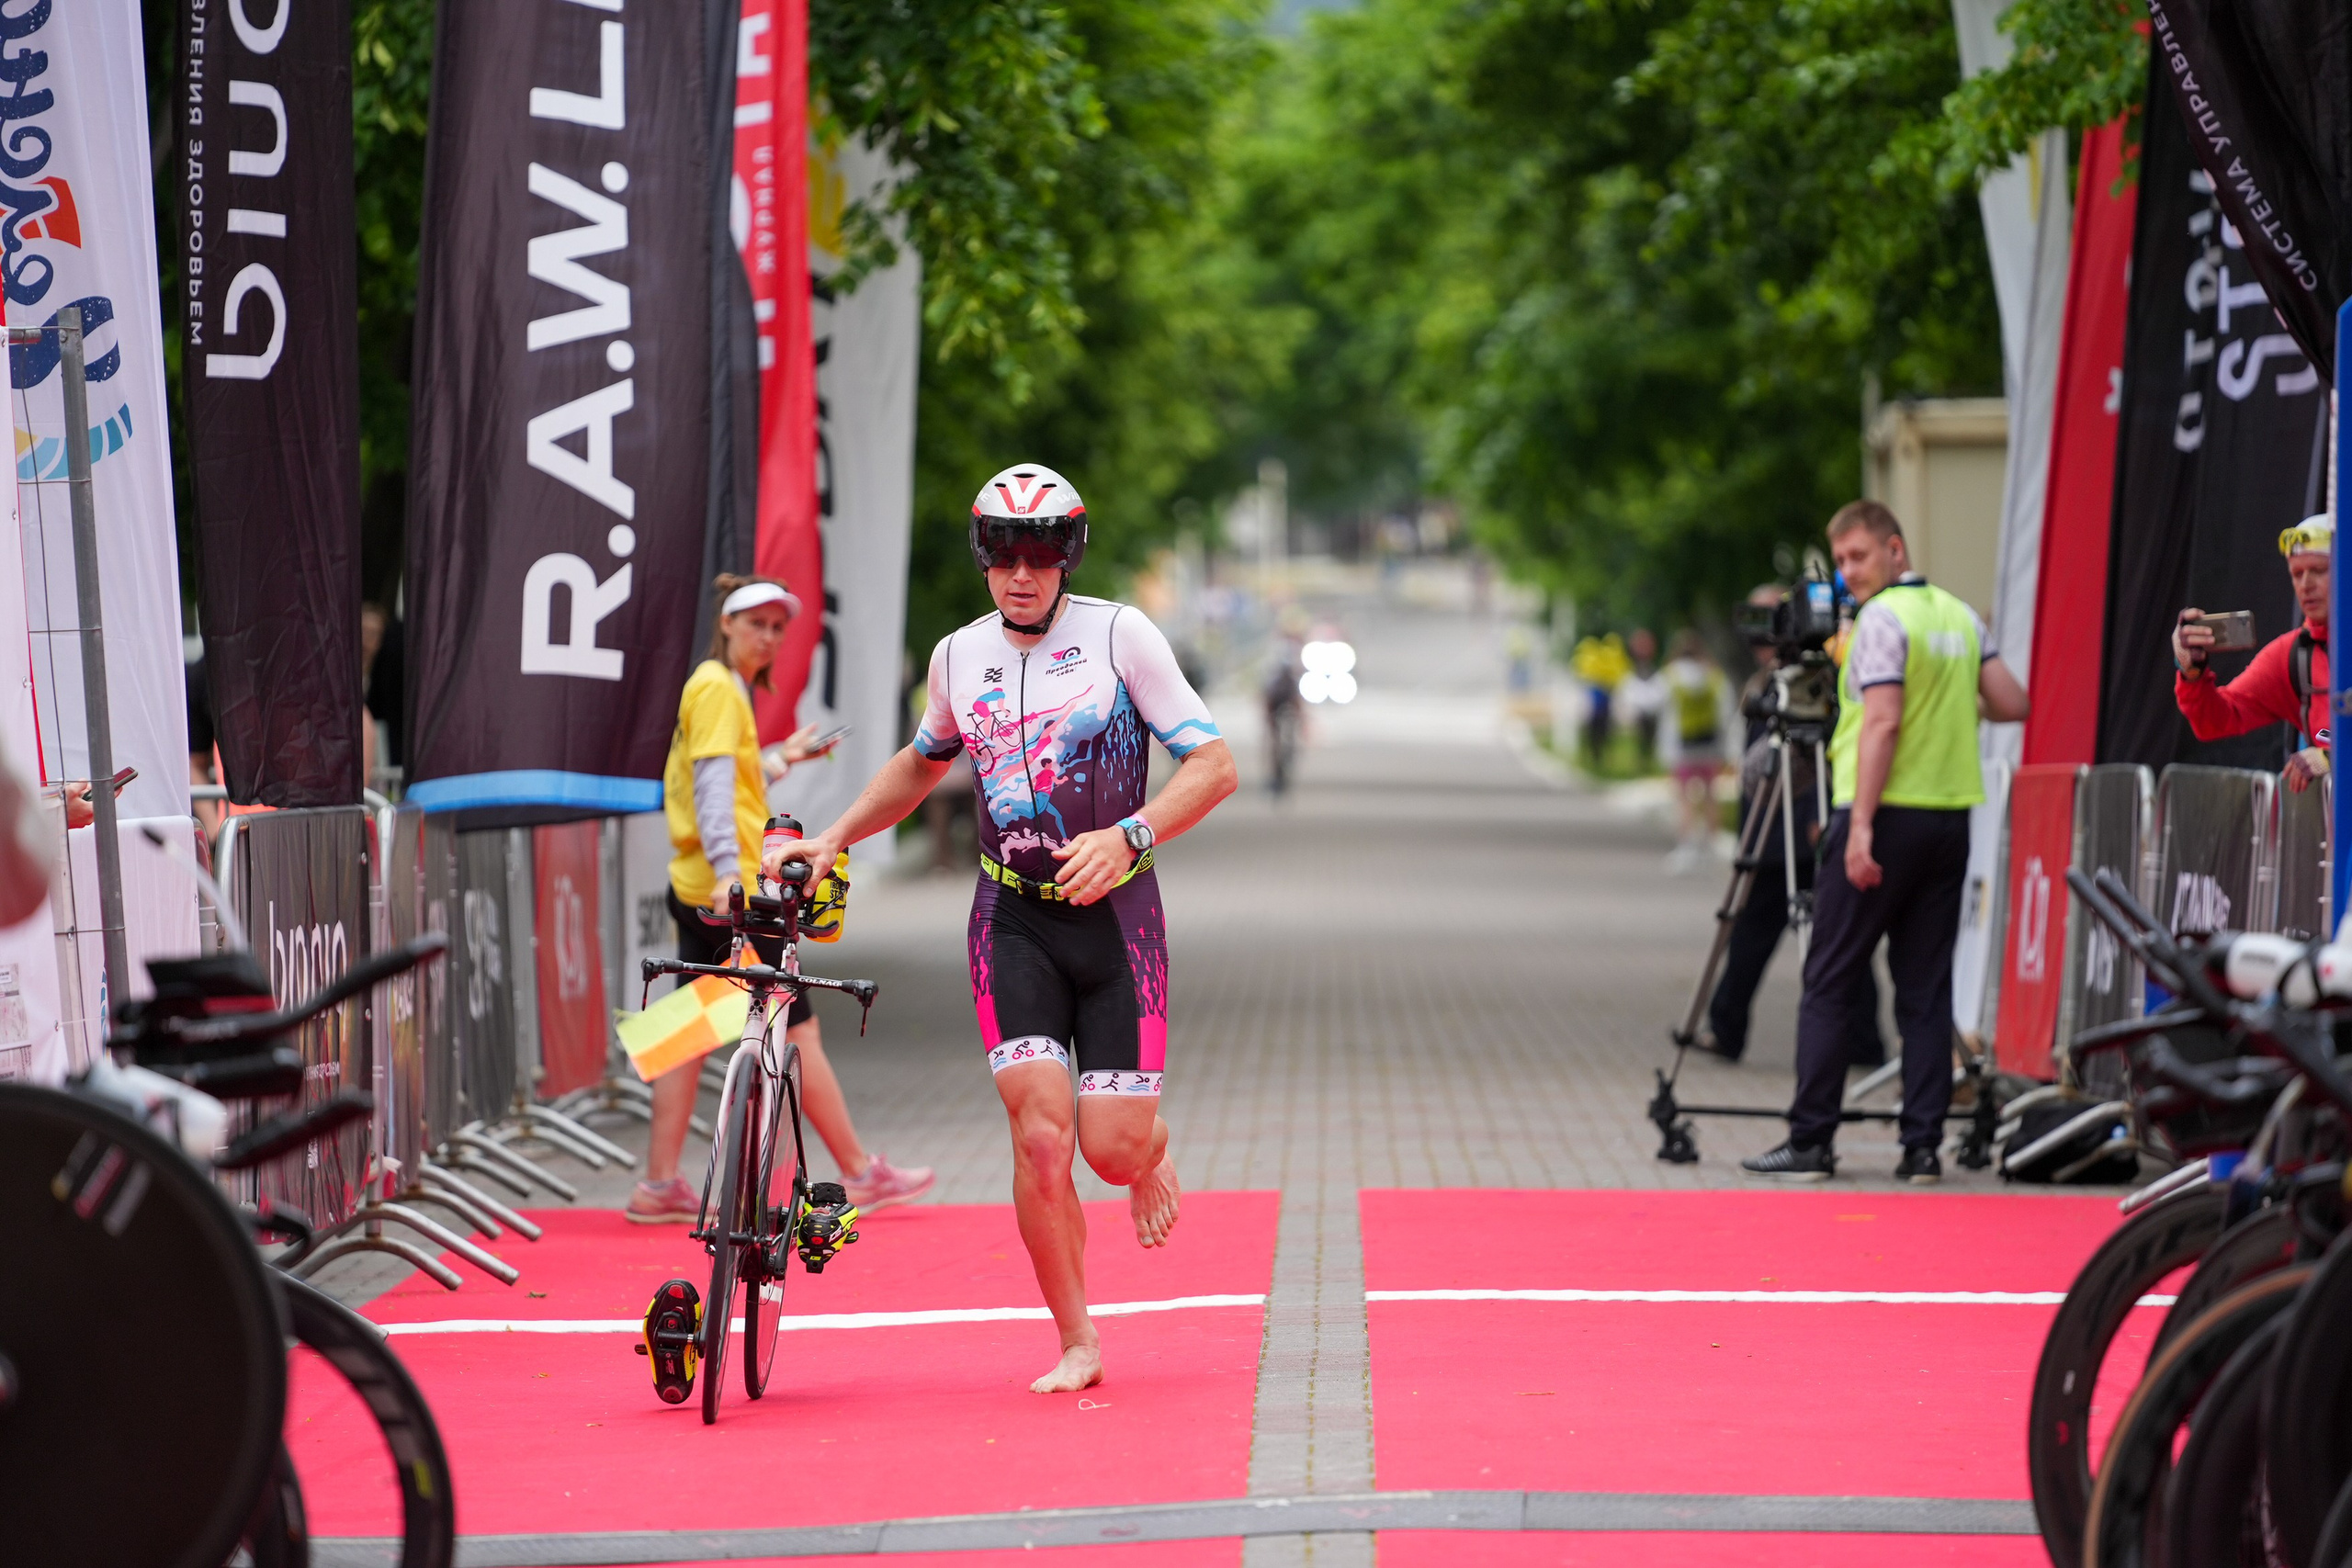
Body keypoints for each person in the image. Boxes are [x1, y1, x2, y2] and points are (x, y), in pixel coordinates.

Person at [765, 463, 1238, 1394]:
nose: (1023, 573)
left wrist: (1132, 834)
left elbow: (1214, 765)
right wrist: (831, 837)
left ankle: (1148, 1141)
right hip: (1009, 919)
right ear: (983, 556)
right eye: (1004, 554)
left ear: (1068, 556)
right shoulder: (959, 654)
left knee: (1105, 1150)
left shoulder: (1120, 635)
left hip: (1117, 923)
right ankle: (1077, 1340)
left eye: (1042, 553)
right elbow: (918, 763)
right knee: (1037, 1138)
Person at [627, 573, 934, 1224]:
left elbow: (721, 775)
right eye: (757, 622)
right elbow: (712, 791)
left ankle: (658, 1184)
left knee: (685, 1031)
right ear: (727, 623)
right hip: (734, 885)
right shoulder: (716, 686)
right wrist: (724, 872)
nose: (768, 636)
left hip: (705, 882)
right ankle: (857, 1170)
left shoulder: (719, 687)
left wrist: (778, 758)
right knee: (799, 1022)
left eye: (777, 627)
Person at [1743, 501, 2029, 1183]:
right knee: (1926, 989)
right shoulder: (1959, 615)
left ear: (1895, 549)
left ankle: (1811, 1140)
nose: (1847, 574)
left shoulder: (1880, 621)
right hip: (1949, 818)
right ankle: (1922, 1146)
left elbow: (1881, 725)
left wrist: (1860, 824)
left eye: (1858, 557)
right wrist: (1953, 697)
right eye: (1840, 562)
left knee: (1830, 977)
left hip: (1882, 814)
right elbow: (2013, 701)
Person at [1694, 592, 1885, 1066]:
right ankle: (1724, 1027)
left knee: (1841, 940)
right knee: (1750, 940)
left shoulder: (1826, 683)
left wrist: (1827, 821)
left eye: (1776, 619)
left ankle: (1860, 1043)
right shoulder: (1769, 682)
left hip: (1810, 833)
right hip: (1769, 836)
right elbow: (1758, 769)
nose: (1765, 634)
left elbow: (1830, 754)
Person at [2171, 514, 2332, 789]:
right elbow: (2217, 720)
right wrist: (2191, 671)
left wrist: (2335, 757)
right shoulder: (2293, 655)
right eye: (2297, 574)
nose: (2305, 585)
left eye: (2318, 570)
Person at [1661, 631, 1728, 874]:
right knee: (1711, 795)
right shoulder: (1713, 674)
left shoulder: (1671, 675)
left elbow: (1661, 708)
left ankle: (1687, 844)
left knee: (1684, 797)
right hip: (1709, 743)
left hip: (1683, 746)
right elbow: (1724, 708)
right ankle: (1711, 842)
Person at [1619, 628, 1668, 770]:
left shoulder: (1653, 672)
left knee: (1649, 735)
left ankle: (1647, 759)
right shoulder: (1632, 673)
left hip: (1650, 710)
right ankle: (1642, 760)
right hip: (1640, 710)